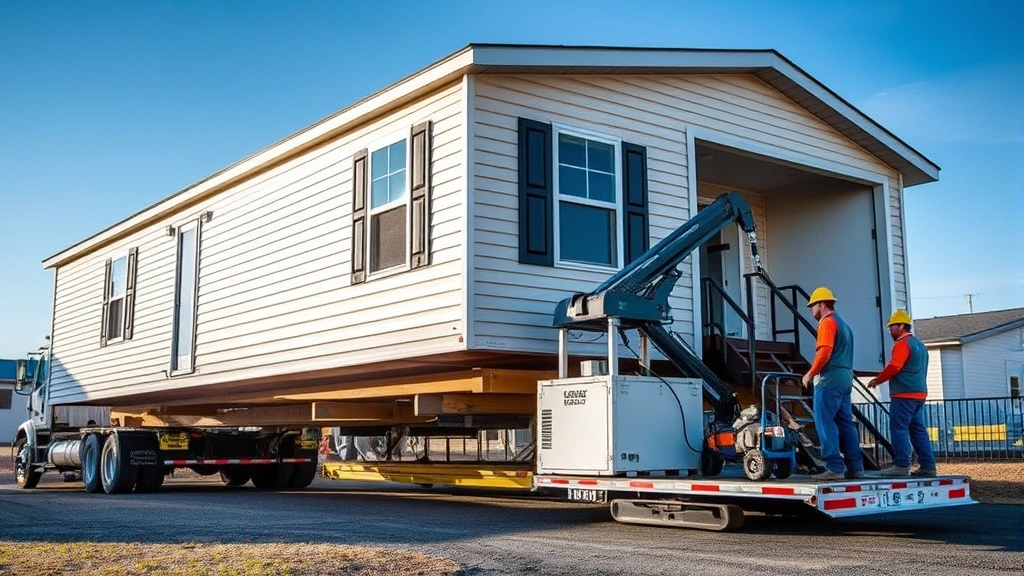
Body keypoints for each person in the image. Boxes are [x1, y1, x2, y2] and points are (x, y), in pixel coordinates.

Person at [801, 286, 865, 481]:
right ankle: (856, 467)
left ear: (821, 304)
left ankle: (834, 467)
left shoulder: (827, 323)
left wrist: (810, 373)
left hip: (829, 378)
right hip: (846, 377)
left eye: (812, 306)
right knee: (846, 422)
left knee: (824, 421)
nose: (811, 310)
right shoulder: (845, 325)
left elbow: (825, 352)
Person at [868, 310, 937, 477]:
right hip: (919, 394)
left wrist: (878, 380)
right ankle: (928, 466)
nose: (890, 331)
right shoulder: (920, 345)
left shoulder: (902, 344)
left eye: (892, 327)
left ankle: (901, 465)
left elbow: (895, 366)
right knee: (918, 430)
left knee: (899, 428)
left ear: (901, 326)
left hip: (903, 394)